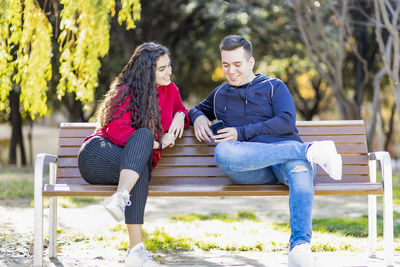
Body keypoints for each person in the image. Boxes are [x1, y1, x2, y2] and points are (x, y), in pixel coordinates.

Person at [188, 35, 342, 267]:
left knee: (299, 169)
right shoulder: (220, 94)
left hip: (284, 162)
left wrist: (241, 133)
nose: (231, 71)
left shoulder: (274, 87)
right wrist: (198, 116)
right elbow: (195, 108)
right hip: (250, 168)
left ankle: (300, 247)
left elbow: (286, 123)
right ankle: (308, 150)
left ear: (251, 62)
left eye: (237, 64)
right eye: (226, 64)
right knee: (223, 153)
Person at [78, 42, 189, 267]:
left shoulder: (171, 90)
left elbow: (183, 112)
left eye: (169, 66)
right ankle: (123, 203)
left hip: (134, 166)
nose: (169, 72)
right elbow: (117, 132)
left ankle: (134, 246)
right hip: (97, 156)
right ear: (147, 72)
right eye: (162, 69)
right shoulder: (126, 91)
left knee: (140, 169)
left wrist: (179, 115)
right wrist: (158, 143)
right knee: (144, 138)